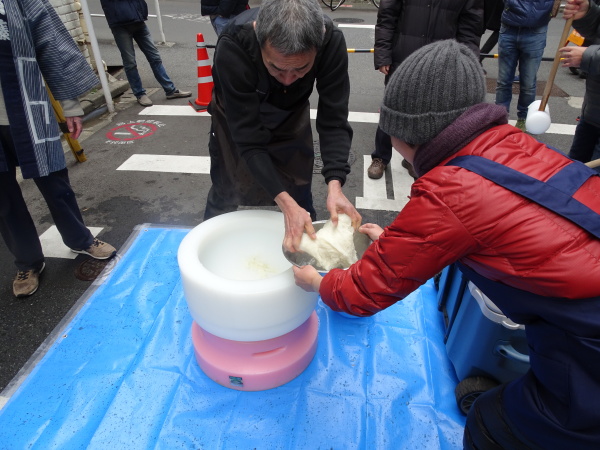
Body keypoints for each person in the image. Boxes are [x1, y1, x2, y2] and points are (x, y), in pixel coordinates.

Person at [293, 39, 600, 448]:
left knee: (493, 424)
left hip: (587, 342)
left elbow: (360, 293)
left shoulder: (448, 192)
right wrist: (401, 243)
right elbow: (490, 230)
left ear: (410, 132)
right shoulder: (518, 145)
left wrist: (315, 281)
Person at [203, 0, 361, 252]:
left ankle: (310, 252)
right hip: (236, 117)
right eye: (276, 67)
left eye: (301, 69)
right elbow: (248, 137)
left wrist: (335, 183)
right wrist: (283, 203)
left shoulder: (330, 40)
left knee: (298, 190)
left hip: (290, 114)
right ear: (258, 32)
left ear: (319, 41)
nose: (288, 78)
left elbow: (334, 119)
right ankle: (207, 250)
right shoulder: (234, 43)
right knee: (226, 187)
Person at [0, 0, 117, 298]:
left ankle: (80, 238)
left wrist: (71, 105)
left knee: (54, 178)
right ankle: (27, 261)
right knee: (3, 198)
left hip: (27, 107)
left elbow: (53, 44)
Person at [367, 0, 483, 180]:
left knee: (431, 112)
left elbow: (470, 27)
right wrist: (383, 54)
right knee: (392, 107)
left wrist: (468, 63)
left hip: (441, 60)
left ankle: (415, 158)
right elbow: (387, 16)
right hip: (403, 55)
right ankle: (380, 156)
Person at [99, 0, 191, 107]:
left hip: (138, 21)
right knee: (130, 62)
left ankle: (170, 90)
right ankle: (140, 94)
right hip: (120, 25)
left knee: (155, 57)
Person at [494, 0, 556, 131]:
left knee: (528, 82)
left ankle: (524, 119)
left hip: (535, 28)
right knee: (504, 81)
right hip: (509, 27)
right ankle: (500, 119)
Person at [561, 0, 600, 171]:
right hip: (592, 111)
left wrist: (590, 57)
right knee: (574, 174)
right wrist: (588, 15)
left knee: (593, 190)